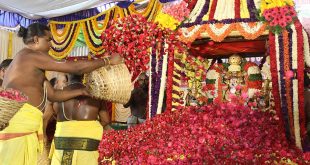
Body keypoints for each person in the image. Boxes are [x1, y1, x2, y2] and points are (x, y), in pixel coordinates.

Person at [0, 23, 121, 165]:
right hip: (18, 128)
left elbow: (52, 95)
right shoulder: (30, 56)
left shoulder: (27, 61)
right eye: (49, 40)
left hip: (22, 127)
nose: (51, 45)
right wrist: (107, 61)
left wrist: (82, 91)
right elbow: (74, 67)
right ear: (36, 39)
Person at [50, 74, 110, 165]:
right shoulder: (95, 93)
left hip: (62, 143)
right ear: (83, 76)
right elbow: (106, 120)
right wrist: (87, 129)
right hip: (88, 143)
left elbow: (55, 114)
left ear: (67, 77)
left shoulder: (58, 94)